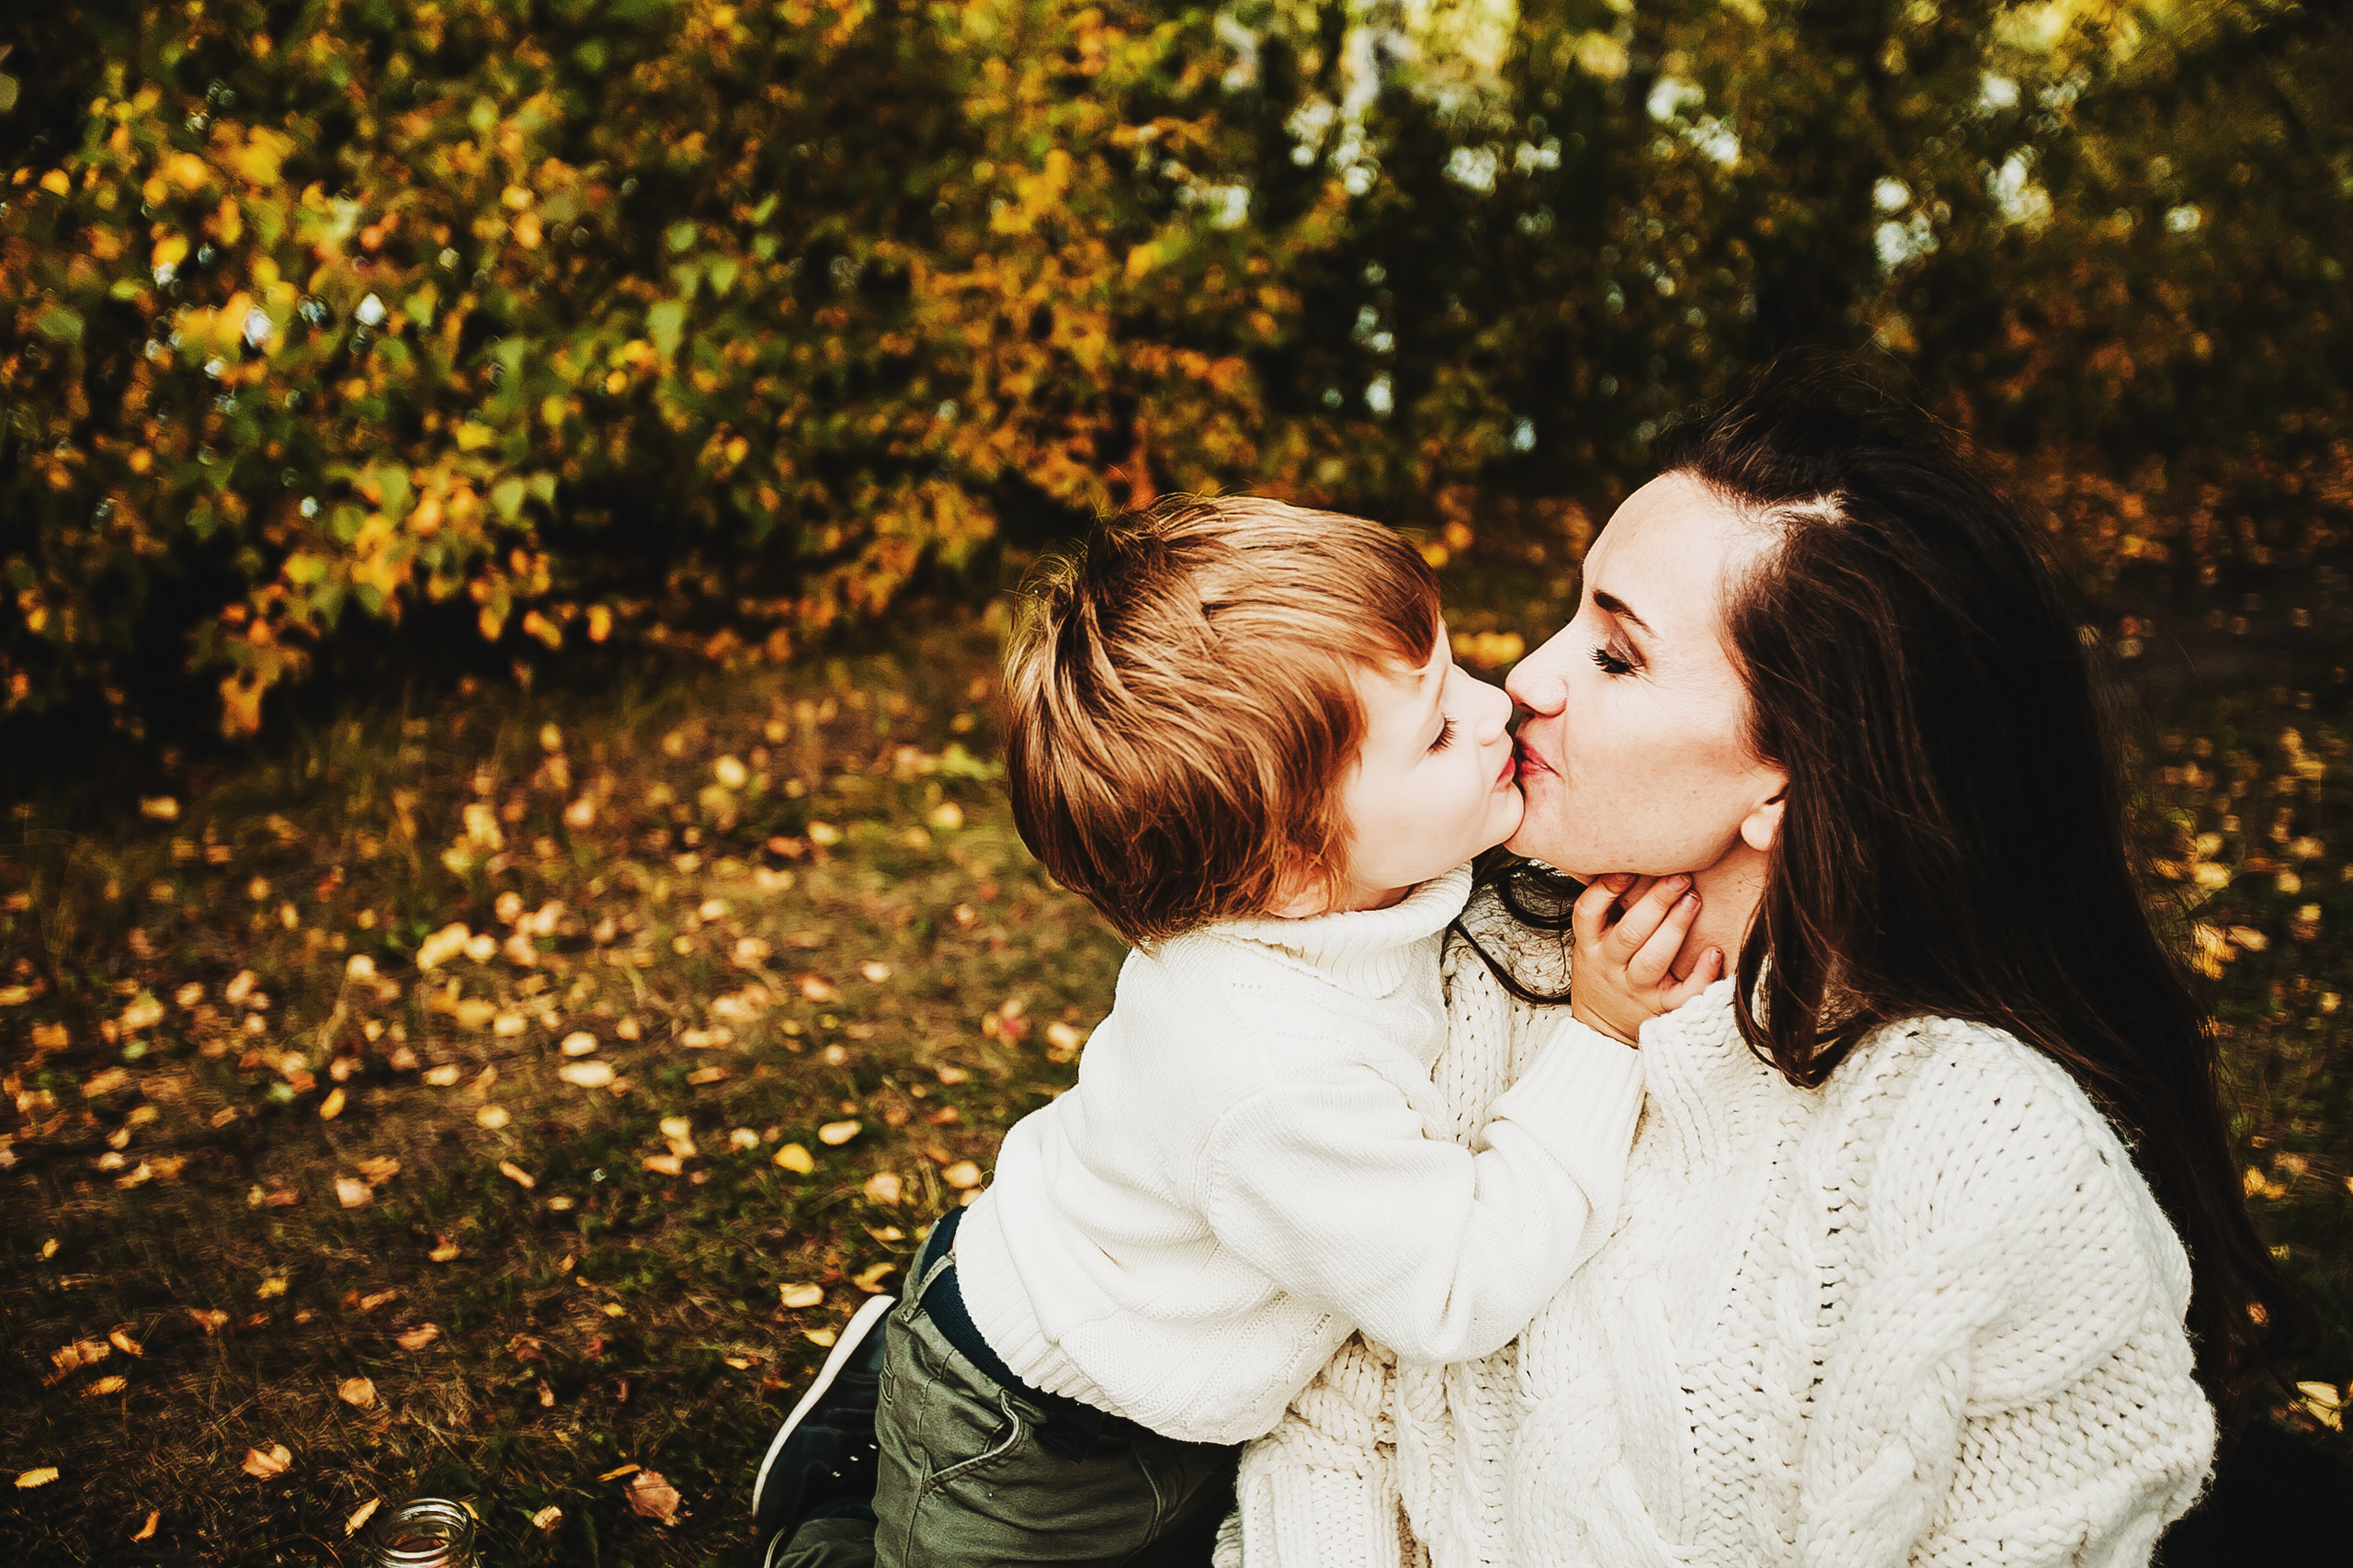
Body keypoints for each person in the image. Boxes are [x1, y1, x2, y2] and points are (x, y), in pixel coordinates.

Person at [1227, 367, 2305, 1566]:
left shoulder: (1996, 1164)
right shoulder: (1456, 974)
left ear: (1793, 775)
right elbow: (1324, 1419)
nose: (1529, 675)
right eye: (1574, 613)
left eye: (1617, 656)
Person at [756, 495, 1702, 1568]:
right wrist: (1601, 1036)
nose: (1498, 711)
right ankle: (826, 1508)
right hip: (1035, 1425)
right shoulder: (1266, 1070)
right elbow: (1454, 1284)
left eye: (1455, 676)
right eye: (1438, 728)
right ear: (1297, 870)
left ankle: (870, 1410)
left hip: (1140, 1341)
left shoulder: (1336, 879)